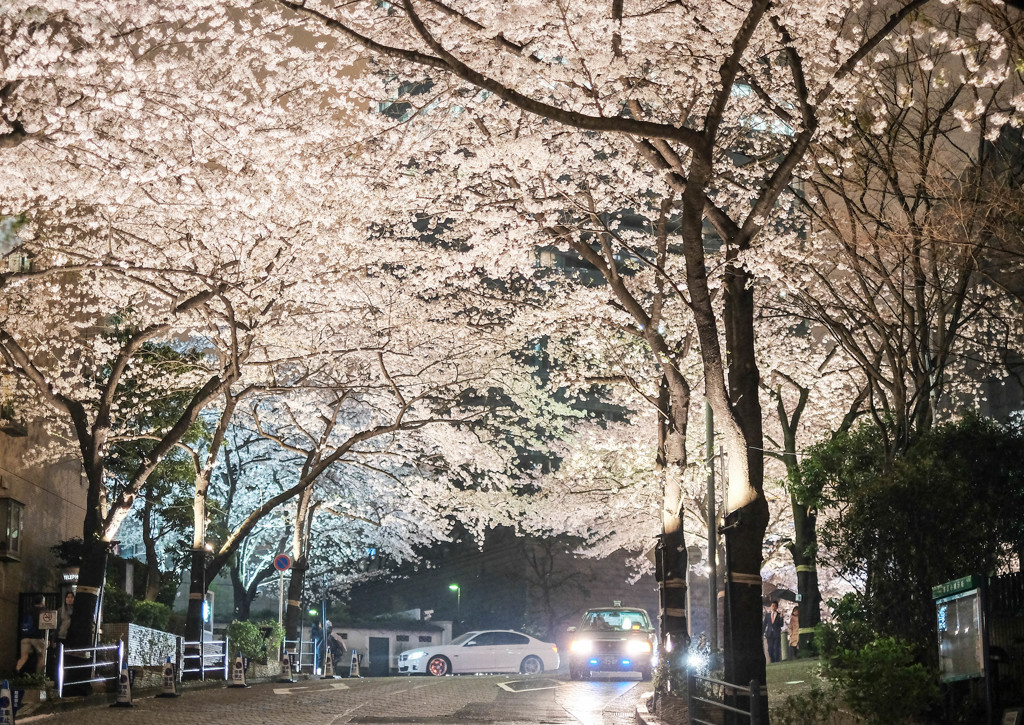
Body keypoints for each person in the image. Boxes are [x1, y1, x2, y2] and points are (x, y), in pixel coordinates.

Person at [17, 595, 47, 675]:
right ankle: (38, 677)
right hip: (37, 637)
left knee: (24, 657)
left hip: (25, 637)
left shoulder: (27, 610)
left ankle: (17, 670)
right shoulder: (43, 611)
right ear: (42, 602)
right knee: (41, 657)